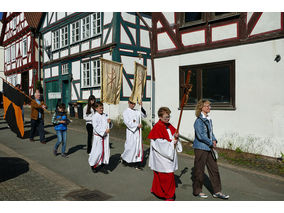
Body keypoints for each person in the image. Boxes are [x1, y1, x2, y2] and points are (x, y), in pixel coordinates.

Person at [192, 99, 229, 199]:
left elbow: (210, 132)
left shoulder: (208, 119)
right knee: (199, 170)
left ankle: (217, 191)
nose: (209, 107)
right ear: (201, 107)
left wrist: (214, 140)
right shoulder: (198, 121)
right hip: (200, 148)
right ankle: (197, 191)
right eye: (207, 106)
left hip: (209, 148)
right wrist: (210, 143)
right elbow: (201, 136)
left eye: (209, 106)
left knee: (214, 170)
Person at [148, 107, 182, 201]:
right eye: (166, 117)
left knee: (163, 175)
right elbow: (159, 143)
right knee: (166, 175)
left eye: (169, 116)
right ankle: (169, 195)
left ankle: (157, 191)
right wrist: (172, 143)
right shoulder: (157, 127)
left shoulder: (168, 125)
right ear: (160, 117)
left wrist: (176, 137)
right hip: (161, 156)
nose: (168, 119)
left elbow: (173, 135)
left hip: (168, 154)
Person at [121, 100, 147, 170]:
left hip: (137, 133)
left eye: (134, 104)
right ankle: (125, 159)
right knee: (130, 147)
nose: (133, 105)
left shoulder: (137, 111)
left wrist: (141, 107)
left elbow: (144, 115)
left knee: (138, 147)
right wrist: (137, 125)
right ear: (128, 103)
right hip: (131, 132)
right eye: (131, 103)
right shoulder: (125, 112)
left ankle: (137, 163)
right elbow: (127, 122)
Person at [88, 101, 112, 174]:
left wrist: (110, 122)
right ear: (96, 108)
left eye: (102, 108)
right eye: (100, 108)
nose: (102, 109)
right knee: (97, 152)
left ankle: (102, 165)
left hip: (105, 137)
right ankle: (93, 165)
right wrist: (104, 131)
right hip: (98, 137)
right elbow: (96, 127)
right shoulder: (95, 117)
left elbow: (109, 125)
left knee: (105, 152)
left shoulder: (105, 115)